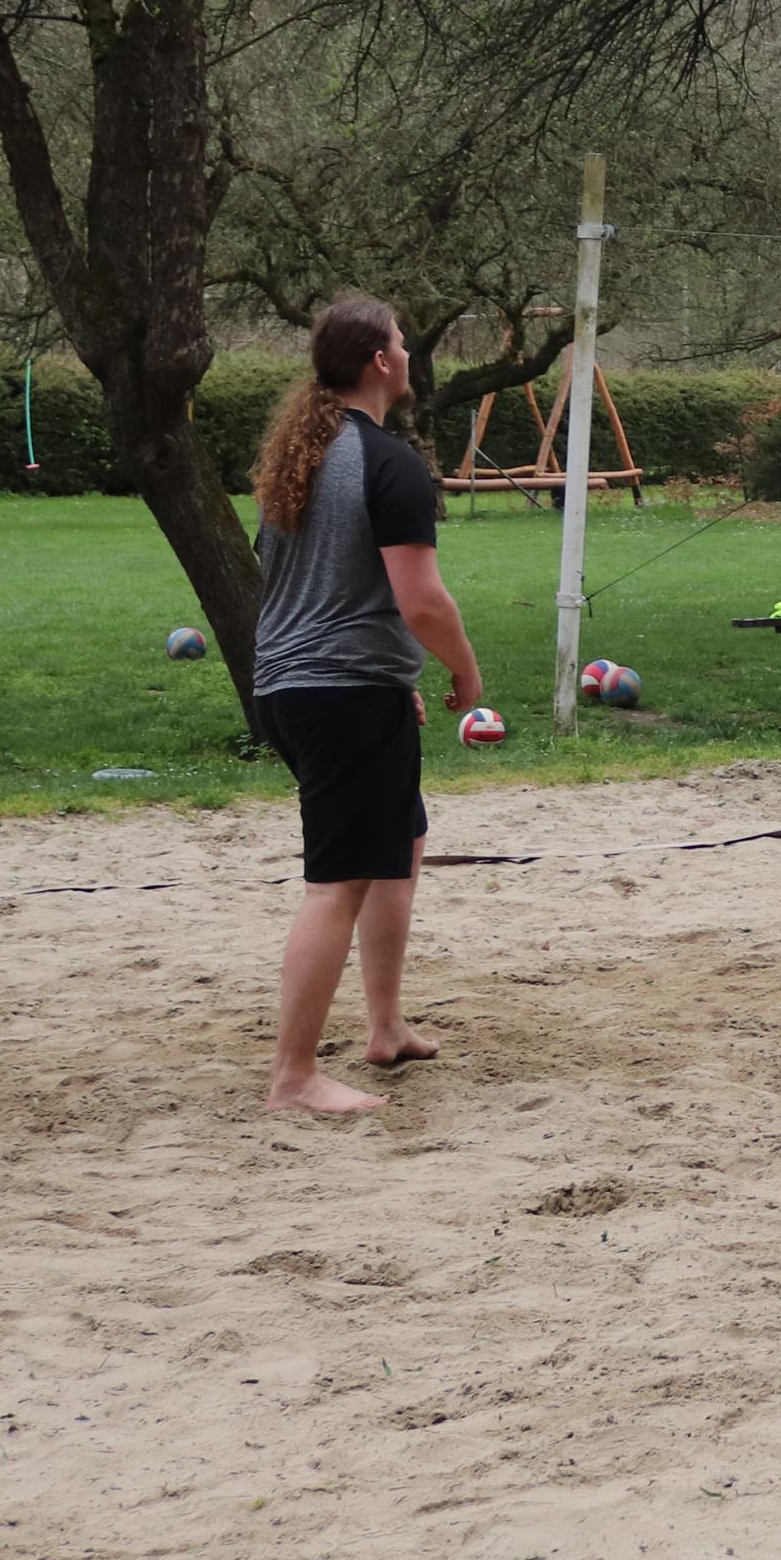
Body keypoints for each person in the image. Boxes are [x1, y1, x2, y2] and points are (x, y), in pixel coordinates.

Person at [245, 296, 485, 1112]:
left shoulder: (302, 457)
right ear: (379, 362)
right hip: (338, 692)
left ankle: (386, 1029)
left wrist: (388, 681)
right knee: (337, 881)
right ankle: (294, 1077)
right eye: (402, 344)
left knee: (401, 840)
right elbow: (421, 601)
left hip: (300, 685)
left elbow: (310, 589)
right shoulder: (389, 463)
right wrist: (465, 673)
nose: (410, 356)